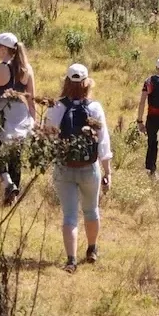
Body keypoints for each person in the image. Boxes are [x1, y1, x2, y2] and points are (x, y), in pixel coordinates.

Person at [46, 63, 112, 274]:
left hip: (64, 167)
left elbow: (48, 136)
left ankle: (71, 260)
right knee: (91, 210)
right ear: (87, 83)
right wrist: (107, 172)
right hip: (89, 167)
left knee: (69, 215)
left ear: (66, 82)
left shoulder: (56, 107)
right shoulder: (94, 108)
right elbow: (103, 142)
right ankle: (92, 249)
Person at [0, 32, 36, 206]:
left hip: (4, 117)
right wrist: (34, 122)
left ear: (3, 49)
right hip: (22, 118)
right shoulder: (27, 69)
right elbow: (31, 99)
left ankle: (8, 183)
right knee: (15, 158)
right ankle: (13, 198)